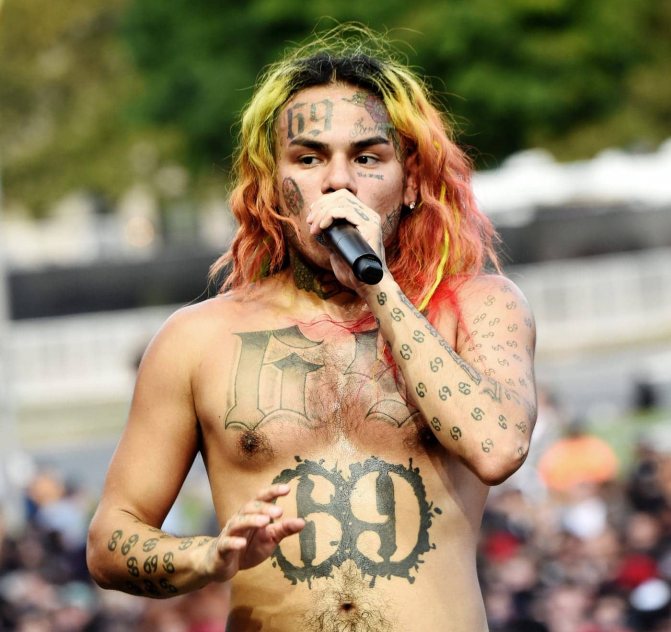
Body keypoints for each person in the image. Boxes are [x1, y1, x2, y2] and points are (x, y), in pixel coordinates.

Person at [86, 24, 538, 631]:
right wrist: (208, 557)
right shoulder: (197, 339)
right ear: (273, 186)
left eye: (368, 158)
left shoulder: (479, 306)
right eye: (308, 158)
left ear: (410, 182)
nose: (338, 181)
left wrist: (378, 285)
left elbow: (497, 447)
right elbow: (109, 541)